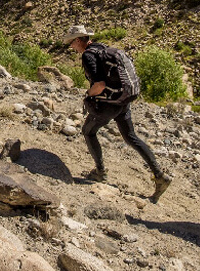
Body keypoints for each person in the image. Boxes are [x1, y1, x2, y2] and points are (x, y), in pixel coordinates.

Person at [64, 25, 172, 203]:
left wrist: (88, 95)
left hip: (109, 103)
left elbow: (99, 85)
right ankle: (160, 176)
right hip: (123, 100)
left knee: (88, 131)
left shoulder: (88, 55)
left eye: (71, 42)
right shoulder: (101, 47)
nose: (70, 47)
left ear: (78, 40)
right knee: (131, 137)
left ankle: (100, 172)